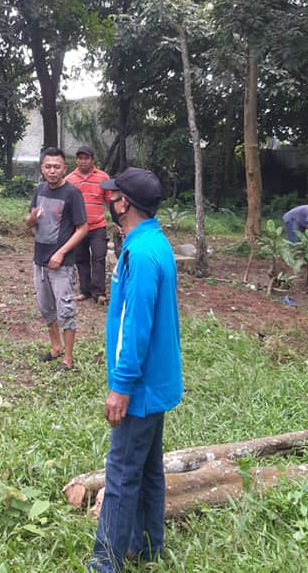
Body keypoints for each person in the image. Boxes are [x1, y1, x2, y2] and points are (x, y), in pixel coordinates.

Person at [88, 167, 183, 573]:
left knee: (122, 472)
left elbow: (135, 324)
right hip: (158, 383)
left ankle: (104, 563)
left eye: (113, 196)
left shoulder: (140, 254)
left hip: (140, 387)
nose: (109, 200)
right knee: (147, 469)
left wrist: (121, 385)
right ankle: (146, 547)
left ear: (125, 203)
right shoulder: (154, 243)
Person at [26, 147, 88, 370]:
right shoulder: (40, 190)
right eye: (48, 166)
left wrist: (61, 252)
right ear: (42, 169)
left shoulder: (72, 194)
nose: (52, 171)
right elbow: (29, 222)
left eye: (56, 167)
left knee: (66, 308)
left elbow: (82, 228)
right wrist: (31, 218)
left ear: (65, 168)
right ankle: (55, 347)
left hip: (62, 264)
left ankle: (68, 359)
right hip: (39, 261)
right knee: (46, 307)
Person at [65, 145, 112, 304]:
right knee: (81, 258)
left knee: (99, 257)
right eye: (79, 158)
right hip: (78, 228)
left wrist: (119, 222)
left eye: (86, 158)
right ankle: (85, 290)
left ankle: (99, 293)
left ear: (92, 160)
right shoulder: (69, 179)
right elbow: (66, 205)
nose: (82, 161)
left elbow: (110, 201)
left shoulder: (103, 178)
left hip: (98, 226)